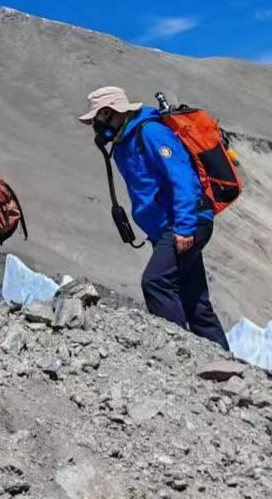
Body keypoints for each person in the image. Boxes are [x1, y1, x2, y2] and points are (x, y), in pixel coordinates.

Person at [79, 86, 229, 349]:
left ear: (110, 112)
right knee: (194, 299)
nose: (95, 126)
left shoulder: (150, 132)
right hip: (170, 227)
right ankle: (225, 367)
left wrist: (183, 227)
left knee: (156, 281)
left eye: (96, 119)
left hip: (187, 221)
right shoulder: (125, 142)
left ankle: (180, 354)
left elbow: (182, 177)